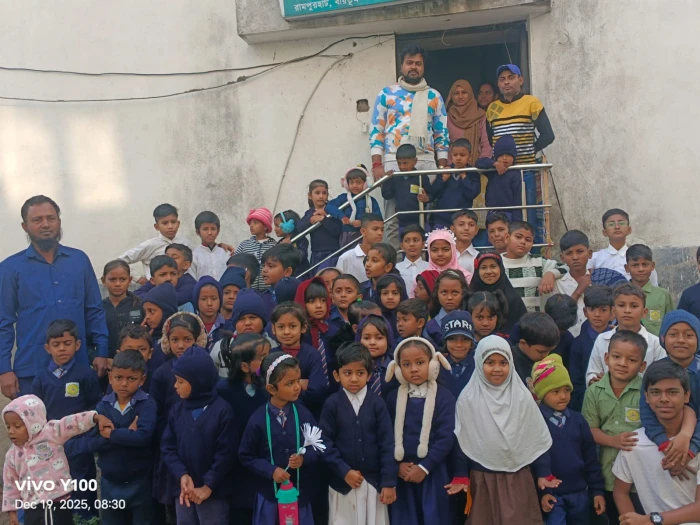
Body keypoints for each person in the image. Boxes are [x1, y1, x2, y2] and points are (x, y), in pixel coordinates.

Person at [0, 195, 109, 399]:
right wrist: (4, 369)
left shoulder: (79, 260)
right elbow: (3, 322)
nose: (45, 224)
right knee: (34, 420)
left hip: (78, 366)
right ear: (25, 226)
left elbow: (94, 310)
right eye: (37, 219)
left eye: (51, 218)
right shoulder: (10, 268)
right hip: (32, 369)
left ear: (59, 221)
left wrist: (102, 351)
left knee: (81, 418)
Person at [455, 336, 557, 525]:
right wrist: (460, 475)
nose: (497, 368)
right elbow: (462, 441)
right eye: (490, 362)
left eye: (503, 362)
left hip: (518, 478)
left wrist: (544, 472)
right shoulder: (468, 399)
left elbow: (537, 438)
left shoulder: (522, 397)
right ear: (479, 363)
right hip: (483, 478)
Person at [370, 44, 449, 247]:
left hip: (424, 161)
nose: (413, 67)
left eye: (418, 63)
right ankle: (393, 260)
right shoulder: (387, 94)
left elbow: (441, 133)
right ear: (402, 66)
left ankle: (424, 258)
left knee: (425, 214)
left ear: (423, 67)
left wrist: (442, 167)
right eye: (409, 63)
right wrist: (377, 164)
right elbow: (376, 130)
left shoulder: (434, 96)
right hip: (394, 162)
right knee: (393, 218)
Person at [385, 338, 466, 525]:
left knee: (434, 518)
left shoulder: (444, 397)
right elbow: (386, 436)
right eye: (407, 365)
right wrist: (396, 466)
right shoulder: (392, 398)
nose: (414, 369)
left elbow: (446, 436)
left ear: (433, 364)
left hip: (433, 471)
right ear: (398, 369)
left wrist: (424, 467)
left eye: (420, 363)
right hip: (402, 473)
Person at [613, 361, 700, 525]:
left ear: (686, 396)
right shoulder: (633, 444)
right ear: (646, 397)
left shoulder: (696, 444)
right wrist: (631, 520)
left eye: (672, 392)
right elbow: (620, 492)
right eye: (655, 392)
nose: (664, 399)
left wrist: (651, 520)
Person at [2, 395, 112, 525]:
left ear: (32, 423)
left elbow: (70, 423)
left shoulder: (50, 433)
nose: (11, 431)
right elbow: (10, 484)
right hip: (31, 507)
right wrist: (12, 512)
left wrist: (94, 417)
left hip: (55, 502)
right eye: (8, 427)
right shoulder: (12, 455)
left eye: (17, 426)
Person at [238, 352, 320, 525]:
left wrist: (304, 459)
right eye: (290, 383)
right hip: (269, 499)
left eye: (298, 381)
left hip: (299, 497)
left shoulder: (304, 414)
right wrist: (271, 470)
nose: (297, 387)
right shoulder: (258, 419)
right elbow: (246, 455)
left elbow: (318, 446)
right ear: (271, 389)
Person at [320, 342, 397, 525]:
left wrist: (388, 482)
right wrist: (344, 471)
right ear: (337, 375)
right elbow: (324, 443)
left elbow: (387, 443)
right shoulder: (332, 404)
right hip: (342, 484)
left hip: (373, 485)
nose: (354, 379)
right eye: (348, 373)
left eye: (360, 373)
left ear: (369, 375)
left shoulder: (377, 404)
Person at [31, 319, 102, 516]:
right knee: (56, 489)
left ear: (77, 345)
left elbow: (95, 407)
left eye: (67, 343)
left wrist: (87, 439)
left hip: (80, 444)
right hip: (52, 447)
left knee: (83, 486)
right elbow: (35, 413)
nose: (62, 348)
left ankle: (87, 519)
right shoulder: (41, 378)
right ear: (48, 348)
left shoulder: (85, 375)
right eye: (56, 344)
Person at [161, 346, 237, 523]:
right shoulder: (177, 411)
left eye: (180, 381)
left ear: (198, 381)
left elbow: (226, 454)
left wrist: (208, 485)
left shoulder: (222, 411)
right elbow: (168, 447)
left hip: (213, 493)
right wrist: (181, 474)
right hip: (184, 489)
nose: (175, 386)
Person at [83, 350, 158, 525]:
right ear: (110, 377)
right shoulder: (102, 407)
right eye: (118, 378)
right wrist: (127, 435)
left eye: (131, 379)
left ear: (142, 380)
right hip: (110, 482)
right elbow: (91, 444)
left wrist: (111, 433)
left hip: (140, 481)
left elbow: (143, 438)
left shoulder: (147, 404)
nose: (124, 383)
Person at [530, 354, 606, 523]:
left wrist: (597, 491)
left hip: (580, 494)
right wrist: (543, 493)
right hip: (553, 496)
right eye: (555, 391)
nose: (563, 396)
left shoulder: (578, 421)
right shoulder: (535, 422)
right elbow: (533, 464)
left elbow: (590, 459)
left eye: (566, 390)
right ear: (542, 393)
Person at [485, 64, 555, 246]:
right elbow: (492, 140)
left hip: (525, 171)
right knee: (502, 217)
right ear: (498, 84)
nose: (506, 82)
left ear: (521, 80)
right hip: (501, 174)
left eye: (511, 77)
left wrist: (530, 150)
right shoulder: (492, 108)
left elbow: (548, 135)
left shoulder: (532, 103)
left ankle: (531, 253)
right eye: (502, 79)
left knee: (527, 217)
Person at [582, 330, 648, 522]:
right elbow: (589, 430)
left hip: (640, 477)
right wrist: (613, 441)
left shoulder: (646, 392)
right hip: (606, 474)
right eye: (616, 357)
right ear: (606, 358)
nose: (622, 363)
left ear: (642, 365)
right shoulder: (594, 391)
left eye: (631, 360)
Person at [150, 312, 209, 514]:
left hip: (201, 443)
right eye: (175, 340)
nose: (181, 345)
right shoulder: (161, 373)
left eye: (187, 339)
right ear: (167, 341)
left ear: (198, 339)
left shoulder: (205, 368)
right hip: (172, 443)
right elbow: (156, 411)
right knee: (176, 499)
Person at [639, 310, 700, 469]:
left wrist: (690, 451)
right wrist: (667, 449)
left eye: (689, 335)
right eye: (673, 334)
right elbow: (646, 412)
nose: (681, 340)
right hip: (665, 445)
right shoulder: (654, 372)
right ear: (662, 339)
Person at [586, 283, 667, 386]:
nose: (627, 311)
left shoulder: (655, 344)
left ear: (644, 312)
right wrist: (595, 381)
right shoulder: (602, 339)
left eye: (634, 306)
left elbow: (661, 379)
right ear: (613, 311)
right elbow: (592, 373)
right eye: (621, 305)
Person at [270, 302, 328, 417]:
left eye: (292, 326)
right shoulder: (271, 355)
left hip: (307, 413)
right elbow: (266, 390)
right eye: (281, 327)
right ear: (273, 329)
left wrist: (282, 390)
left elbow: (317, 390)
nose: (286, 332)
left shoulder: (312, 355)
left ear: (303, 327)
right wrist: (300, 384)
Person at [501, 221, 566, 312]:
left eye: (528, 240)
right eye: (518, 237)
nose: (523, 242)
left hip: (533, 319)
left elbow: (567, 267)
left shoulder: (538, 262)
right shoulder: (497, 263)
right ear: (507, 238)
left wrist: (551, 273)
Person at [569, 285, 615, 412]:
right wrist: (591, 384)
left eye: (603, 310)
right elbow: (575, 381)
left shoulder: (618, 339)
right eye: (592, 309)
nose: (597, 314)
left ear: (612, 313)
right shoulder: (578, 343)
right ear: (585, 312)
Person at [118, 203, 191, 282]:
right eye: (165, 223)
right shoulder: (150, 245)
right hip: (156, 286)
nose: (170, 226)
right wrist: (138, 278)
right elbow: (120, 261)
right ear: (157, 226)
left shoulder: (185, 243)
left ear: (178, 223)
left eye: (173, 222)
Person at [588, 208, 659, 286]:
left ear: (629, 230)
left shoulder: (640, 257)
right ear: (604, 232)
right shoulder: (594, 258)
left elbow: (653, 285)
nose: (617, 227)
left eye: (621, 223)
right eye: (611, 224)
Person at [380, 144, 431, 243]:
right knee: (405, 245)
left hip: (420, 220)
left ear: (415, 161)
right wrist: (387, 180)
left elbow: (431, 194)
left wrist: (426, 198)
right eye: (399, 163)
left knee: (422, 244)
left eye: (405, 163)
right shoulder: (396, 178)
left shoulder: (421, 176)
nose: (402, 167)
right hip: (402, 221)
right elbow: (387, 195)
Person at [427, 141, 481, 231]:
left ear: (470, 156)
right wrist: (443, 179)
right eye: (455, 155)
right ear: (451, 155)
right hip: (442, 217)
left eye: (462, 155)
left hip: (462, 219)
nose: (458, 158)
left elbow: (472, 194)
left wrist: (464, 177)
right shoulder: (445, 171)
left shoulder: (473, 173)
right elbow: (433, 192)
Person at [470, 251, 528, 333]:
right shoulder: (469, 298)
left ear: (501, 269)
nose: (489, 271)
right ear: (477, 271)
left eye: (493, 267)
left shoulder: (513, 300)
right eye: (483, 267)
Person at [329, 165, 383, 247]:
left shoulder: (371, 201)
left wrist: (363, 223)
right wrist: (341, 216)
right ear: (346, 184)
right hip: (347, 235)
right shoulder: (343, 198)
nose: (354, 185)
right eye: (351, 182)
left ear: (366, 183)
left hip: (366, 235)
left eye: (358, 182)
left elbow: (378, 217)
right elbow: (329, 206)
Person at [626, 244, 674, 336]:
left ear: (652, 266)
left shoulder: (663, 295)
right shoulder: (619, 295)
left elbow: (672, 324)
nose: (640, 269)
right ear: (627, 268)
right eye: (635, 265)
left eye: (645, 264)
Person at [475, 135, 523, 223]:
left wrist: (517, 222)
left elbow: (517, 200)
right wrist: (494, 164)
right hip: (492, 212)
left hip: (509, 213)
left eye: (508, 155)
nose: (504, 158)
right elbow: (478, 163)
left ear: (514, 157)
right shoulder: (492, 171)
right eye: (501, 155)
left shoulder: (515, 173)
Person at [298, 180, 344, 272]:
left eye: (324, 193)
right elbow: (300, 228)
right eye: (317, 193)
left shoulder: (333, 210)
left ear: (327, 195)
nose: (321, 196)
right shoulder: (310, 213)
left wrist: (324, 219)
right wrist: (312, 218)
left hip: (332, 253)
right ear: (310, 195)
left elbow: (337, 231)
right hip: (316, 254)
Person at [556, 230, 594, 336]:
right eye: (569, 253)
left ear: (590, 253)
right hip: (567, 338)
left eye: (580, 251)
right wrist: (578, 291)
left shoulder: (599, 279)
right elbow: (558, 315)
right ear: (562, 257)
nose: (575, 257)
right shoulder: (557, 284)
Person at [445, 80, 492, 167]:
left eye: (464, 92)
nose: (460, 96)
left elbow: (485, 144)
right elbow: (443, 145)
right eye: (456, 93)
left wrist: (481, 165)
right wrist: (451, 166)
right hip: (452, 168)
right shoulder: (446, 117)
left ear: (470, 94)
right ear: (451, 96)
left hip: (476, 167)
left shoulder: (480, 115)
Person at [101, 260, 142, 357]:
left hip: (133, 360)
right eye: (112, 279)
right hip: (105, 362)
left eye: (123, 279)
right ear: (103, 281)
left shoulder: (139, 306)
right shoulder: (99, 308)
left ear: (130, 280)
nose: (118, 284)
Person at [511, 312, 560, 384]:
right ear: (523, 343)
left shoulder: (547, 361)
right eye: (541, 352)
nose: (545, 355)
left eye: (549, 351)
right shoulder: (510, 362)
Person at [236, 207, 277, 291]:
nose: (251, 225)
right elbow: (235, 263)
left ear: (265, 226)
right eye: (250, 223)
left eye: (255, 222)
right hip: (249, 290)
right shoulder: (244, 245)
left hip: (269, 291)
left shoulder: (274, 246)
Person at [425, 270, 470, 347]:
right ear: (437, 293)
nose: (449, 297)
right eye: (444, 292)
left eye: (455, 293)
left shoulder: (470, 321)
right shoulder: (431, 326)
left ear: (463, 294)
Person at [356, 314, 396, 398]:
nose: (372, 342)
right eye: (366, 338)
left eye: (379, 338)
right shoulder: (354, 366)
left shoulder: (395, 368)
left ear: (388, 340)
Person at [440, 311, 477, 398]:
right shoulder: (436, 367)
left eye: (465, 339)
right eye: (452, 339)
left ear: (471, 342)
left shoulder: (479, 365)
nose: (459, 344)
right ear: (445, 341)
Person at [116, 324, 161, 393]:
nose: (135, 354)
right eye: (129, 350)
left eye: (142, 349)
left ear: (150, 353)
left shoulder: (156, 377)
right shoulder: (115, 376)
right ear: (119, 354)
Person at [260, 243, 302, 315]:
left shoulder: (299, 295)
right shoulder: (261, 298)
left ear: (287, 271)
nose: (264, 270)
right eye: (264, 266)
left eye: (270, 266)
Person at [191, 211, 229, 281]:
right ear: (198, 232)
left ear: (218, 231)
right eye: (205, 229)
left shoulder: (225, 253)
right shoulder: (194, 256)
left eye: (213, 229)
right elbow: (192, 280)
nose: (210, 233)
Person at [544, 294, 578, 370]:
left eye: (563, 330)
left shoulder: (569, 341)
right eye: (555, 327)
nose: (557, 333)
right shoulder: (528, 329)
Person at [273, 210, 310, 278]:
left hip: (301, 276)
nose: (274, 229)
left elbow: (302, 256)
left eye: (277, 226)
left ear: (289, 225)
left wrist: (290, 247)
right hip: (286, 277)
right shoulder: (280, 243)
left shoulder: (300, 240)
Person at [193, 276, 225, 350]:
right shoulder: (191, 327)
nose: (209, 303)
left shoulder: (229, 327)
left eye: (214, 299)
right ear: (196, 301)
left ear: (220, 300)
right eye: (204, 299)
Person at [396, 224, 429, 298]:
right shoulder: (396, 269)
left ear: (423, 244)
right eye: (407, 241)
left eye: (415, 240)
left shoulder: (429, 268)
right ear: (402, 246)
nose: (411, 244)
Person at [377, 274, 409, 341]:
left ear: (402, 294)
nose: (390, 297)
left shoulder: (410, 316)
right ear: (379, 295)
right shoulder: (374, 316)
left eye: (395, 293)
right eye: (385, 293)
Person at [451, 209, 480, 275]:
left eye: (471, 225)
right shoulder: (445, 254)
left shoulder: (478, 257)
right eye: (461, 224)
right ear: (453, 229)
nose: (466, 228)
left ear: (476, 230)